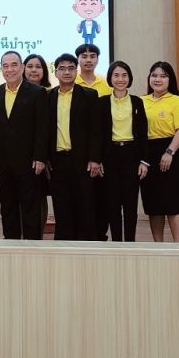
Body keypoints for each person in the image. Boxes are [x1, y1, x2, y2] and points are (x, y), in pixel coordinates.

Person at [0, 51, 48, 239]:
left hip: (29, 162)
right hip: (4, 161)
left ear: (22, 67)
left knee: (30, 207)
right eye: (5, 66)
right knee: (7, 206)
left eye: (14, 65)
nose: (9, 69)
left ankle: (32, 245)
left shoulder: (37, 92)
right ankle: (10, 243)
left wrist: (40, 157)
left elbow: (42, 128)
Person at [46, 53, 101, 239]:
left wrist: (95, 159)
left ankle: (86, 248)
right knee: (62, 208)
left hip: (83, 161)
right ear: (56, 72)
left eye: (71, 68)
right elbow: (44, 131)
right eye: (62, 68)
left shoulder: (89, 95)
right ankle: (63, 247)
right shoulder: (48, 96)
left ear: (76, 71)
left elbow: (96, 130)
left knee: (85, 207)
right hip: (57, 161)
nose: (67, 72)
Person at [97, 60, 149, 241]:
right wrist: (98, 159)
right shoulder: (102, 102)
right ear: (110, 78)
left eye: (124, 75)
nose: (120, 79)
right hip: (110, 155)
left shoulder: (137, 102)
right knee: (112, 203)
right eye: (116, 75)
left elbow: (143, 133)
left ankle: (130, 242)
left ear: (130, 78)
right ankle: (117, 242)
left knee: (130, 203)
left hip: (131, 154)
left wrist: (144, 161)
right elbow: (98, 134)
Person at [140, 61, 179, 242]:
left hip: (171, 151)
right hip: (147, 154)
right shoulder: (142, 101)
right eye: (154, 75)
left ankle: (177, 246)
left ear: (170, 80)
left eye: (163, 76)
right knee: (154, 204)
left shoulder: (177, 101)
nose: (158, 79)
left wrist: (169, 152)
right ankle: (158, 245)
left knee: (174, 202)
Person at [74, 42, 112, 239]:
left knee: (102, 194)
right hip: (77, 148)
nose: (88, 60)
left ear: (98, 59)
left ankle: (100, 234)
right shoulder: (70, 83)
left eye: (92, 56)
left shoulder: (106, 84)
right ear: (78, 60)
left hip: (103, 145)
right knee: (81, 195)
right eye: (84, 56)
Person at [24, 53, 52, 234]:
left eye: (38, 66)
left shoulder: (51, 94)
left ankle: (37, 236)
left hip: (44, 157)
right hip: (22, 155)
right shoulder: (15, 93)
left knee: (39, 196)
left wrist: (44, 155)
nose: (34, 70)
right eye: (30, 66)